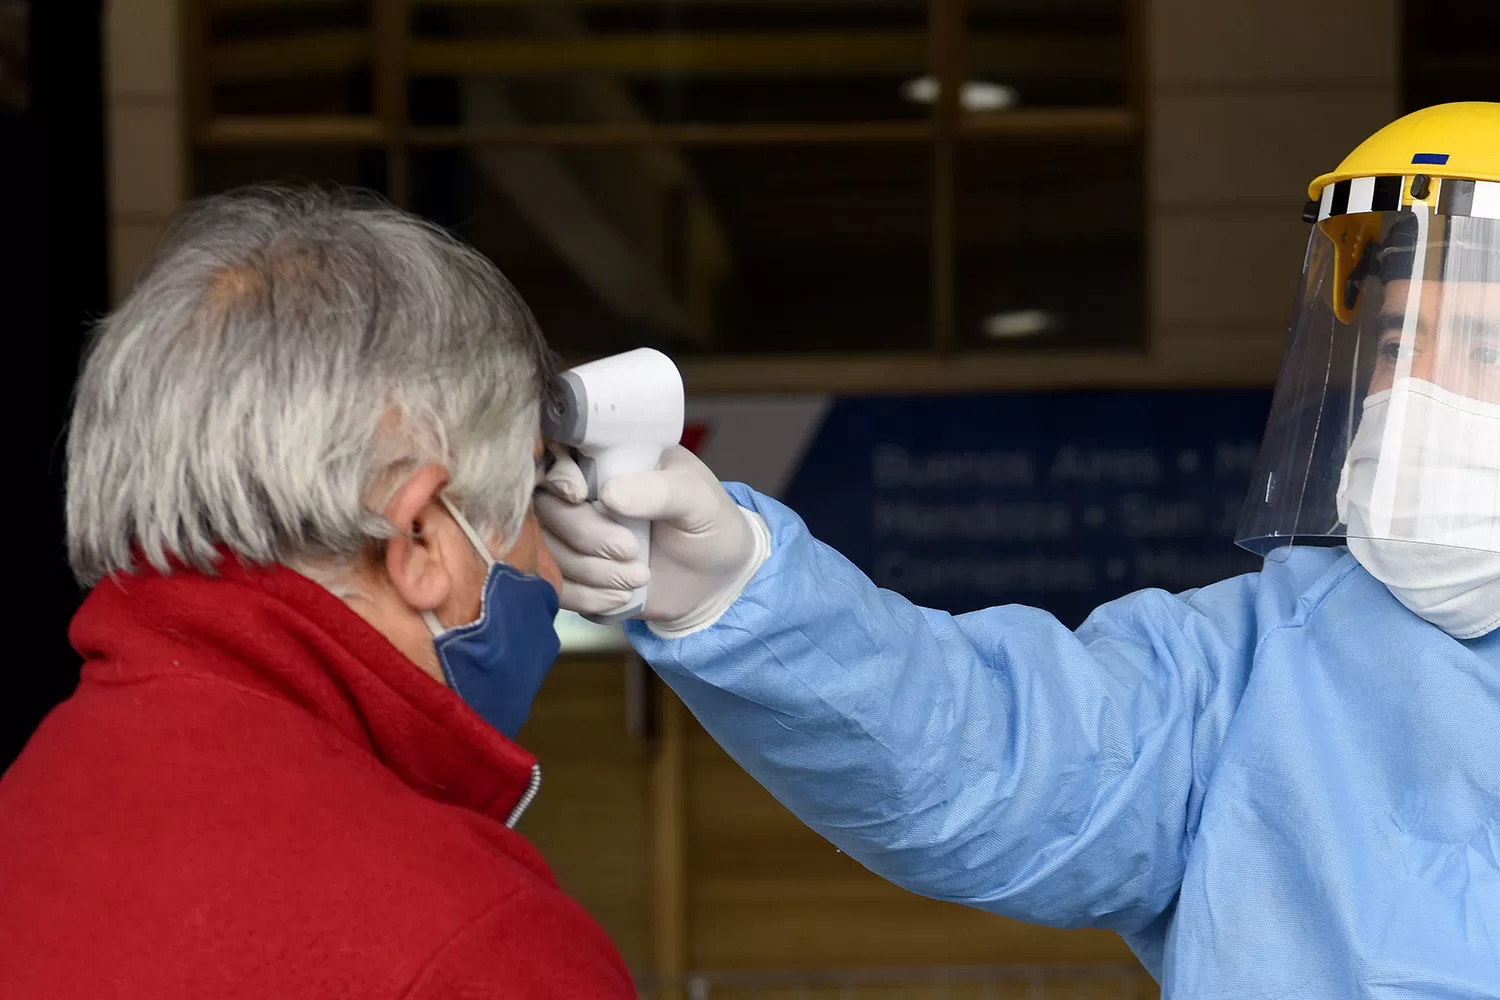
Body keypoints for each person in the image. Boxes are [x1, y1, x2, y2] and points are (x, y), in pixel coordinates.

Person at [537, 102, 1500, 996]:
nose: (1407, 397)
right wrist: (743, 594)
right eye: (1388, 346)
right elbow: (995, 756)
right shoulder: (1263, 668)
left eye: (1479, 345)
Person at [0, 188, 635, 998]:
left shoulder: (31, 814)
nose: (550, 569)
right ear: (419, 538)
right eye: (535, 490)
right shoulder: (473, 943)